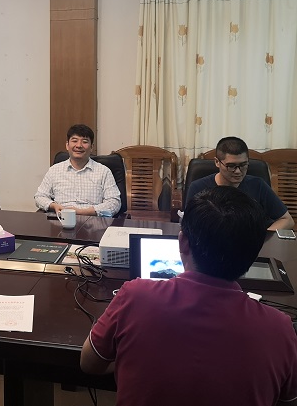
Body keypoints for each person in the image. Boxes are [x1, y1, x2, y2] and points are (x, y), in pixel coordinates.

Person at [80, 186, 297, 406]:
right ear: (253, 256)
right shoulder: (280, 329)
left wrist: (130, 359)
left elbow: (89, 363)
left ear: (182, 242)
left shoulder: (134, 296)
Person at [186, 136, 294, 230]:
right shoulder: (198, 187)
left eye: (243, 165)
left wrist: (261, 238)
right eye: (231, 166)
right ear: (217, 162)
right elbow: (189, 225)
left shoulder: (258, 185)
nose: (238, 171)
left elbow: (287, 220)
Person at [34, 124, 121, 216]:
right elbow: (40, 196)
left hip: (92, 220)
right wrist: (53, 205)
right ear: (67, 145)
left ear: (91, 147)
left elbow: (114, 203)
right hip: (61, 219)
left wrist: (83, 212)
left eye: (84, 142)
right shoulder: (54, 170)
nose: (79, 145)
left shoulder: (104, 172)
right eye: (74, 141)